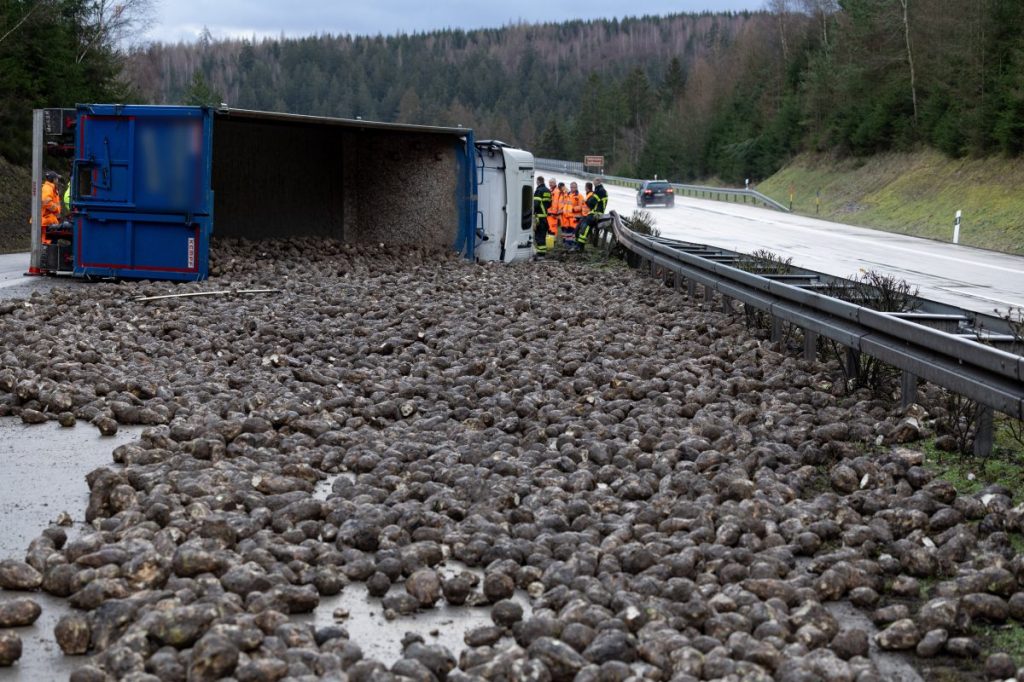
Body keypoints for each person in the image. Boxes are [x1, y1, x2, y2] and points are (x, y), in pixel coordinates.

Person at [574, 178, 607, 251]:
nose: (594, 181)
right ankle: (578, 245)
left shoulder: (601, 191)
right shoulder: (597, 190)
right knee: (579, 227)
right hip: (593, 213)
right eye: (594, 180)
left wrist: (587, 201)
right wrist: (588, 201)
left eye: (596, 180)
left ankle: (580, 246)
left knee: (585, 226)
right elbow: (590, 202)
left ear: (599, 182)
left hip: (597, 213)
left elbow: (591, 202)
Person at [37, 171, 62, 245]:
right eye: (57, 179)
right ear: (53, 179)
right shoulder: (48, 188)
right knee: (48, 244)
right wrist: (56, 210)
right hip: (47, 220)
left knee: (51, 244)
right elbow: (46, 202)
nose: (58, 181)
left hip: (49, 220)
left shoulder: (51, 188)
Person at [533, 176, 552, 258]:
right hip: (545, 217)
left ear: (538, 181)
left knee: (538, 235)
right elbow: (549, 204)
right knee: (543, 234)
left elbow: (536, 204)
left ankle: (540, 254)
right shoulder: (548, 191)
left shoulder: (538, 190)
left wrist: (532, 212)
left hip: (539, 216)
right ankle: (542, 253)